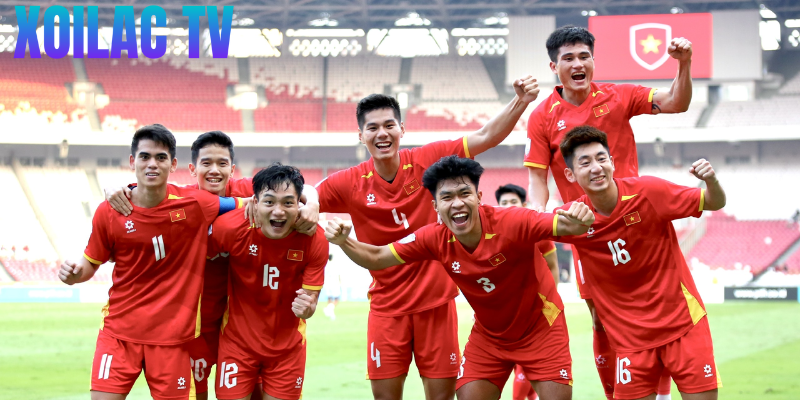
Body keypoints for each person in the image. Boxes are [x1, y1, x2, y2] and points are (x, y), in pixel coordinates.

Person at [310, 81, 541, 400]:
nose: (382, 134)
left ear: (402, 129)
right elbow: (305, 196)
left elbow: (486, 135)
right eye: (372, 128)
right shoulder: (350, 182)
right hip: (387, 309)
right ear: (361, 136)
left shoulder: (427, 159)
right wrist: (303, 202)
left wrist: (521, 101)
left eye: (389, 125)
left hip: (436, 305)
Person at [325, 156, 596, 400]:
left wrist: (580, 217)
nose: (457, 203)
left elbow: (566, 224)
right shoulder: (434, 238)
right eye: (447, 197)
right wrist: (343, 241)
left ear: (479, 197)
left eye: (465, 193)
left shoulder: (512, 221)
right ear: (435, 206)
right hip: (490, 338)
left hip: (541, 329)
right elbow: (376, 257)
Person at [524, 25, 693, 400]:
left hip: (640, 222)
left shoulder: (619, 95)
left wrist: (684, 64)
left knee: (661, 307)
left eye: (584, 56)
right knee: (601, 318)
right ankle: (617, 392)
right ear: (554, 67)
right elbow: (537, 179)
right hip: (588, 232)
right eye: (568, 58)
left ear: (593, 60)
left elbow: (676, 102)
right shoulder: (542, 117)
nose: (578, 64)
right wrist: (537, 217)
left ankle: (661, 393)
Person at [103, 131, 321, 399]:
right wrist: (116, 187)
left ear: (232, 168)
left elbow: (295, 186)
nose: (215, 171)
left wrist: (312, 202)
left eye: (222, 163)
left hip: (244, 326)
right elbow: (143, 198)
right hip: (196, 324)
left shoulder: (249, 191)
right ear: (192, 169)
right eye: (206, 163)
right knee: (197, 393)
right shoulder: (181, 199)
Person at [57, 124, 243, 400]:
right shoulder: (109, 210)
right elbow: (90, 263)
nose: (152, 164)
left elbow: (251, 205)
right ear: (133, 162)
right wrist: (74, 273)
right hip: (119, 334)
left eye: (160, 157)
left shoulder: (195, 203)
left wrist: (304, 204)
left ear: (173, 164)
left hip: (173, 341)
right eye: (145, 157)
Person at [554, 126, 725, 400]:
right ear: (570, 174)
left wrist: (711, 181)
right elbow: (521, 229)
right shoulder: (571, 220)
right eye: (585, 163)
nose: (596, 167)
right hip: (630, 342)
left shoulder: (649, 191)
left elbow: (714, 202)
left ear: (612, 162)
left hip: (684, 325)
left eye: (601, 158)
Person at [208, 164, 328, 400]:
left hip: (287, 350)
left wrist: (308, 307)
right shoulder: (231, 227)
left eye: (287, 203)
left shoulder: (314, 239)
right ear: (255, 202)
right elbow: (192, 253)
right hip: (237, 346)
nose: (278, 211)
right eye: (270, 202)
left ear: (299, 204)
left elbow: (310, 301)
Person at [495, 183, 560, 400]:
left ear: (524, 204)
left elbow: (552, 266)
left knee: (526, 365)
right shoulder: (489, 235)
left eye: (513, 202)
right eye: (504, 202)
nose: (508, 206)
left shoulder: (537, 231)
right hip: (505, 315)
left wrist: (549, 303)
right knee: (519, 365)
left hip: (536, 311)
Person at [323, 253, 342, 321]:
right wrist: (340, 282)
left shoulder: (325, 265)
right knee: (337, 299)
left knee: (329, 299)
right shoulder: (335, 265)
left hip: (327, 284)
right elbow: (339, 275)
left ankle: (330, 313)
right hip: (335, 284)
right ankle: (328, 309)